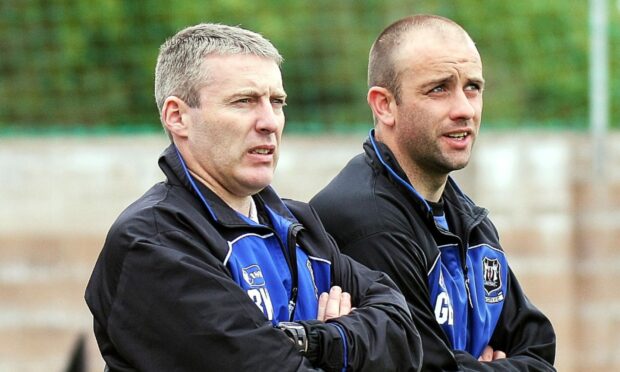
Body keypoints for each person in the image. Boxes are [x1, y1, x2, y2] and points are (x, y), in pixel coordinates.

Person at [84, 23, 422, 372]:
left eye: (277, 102)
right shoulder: (153, 242)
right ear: (178, 116)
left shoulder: (299, 225)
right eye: (243, 101)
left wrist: (318, 340)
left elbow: (406, 338)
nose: (269, 122)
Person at [310, 14, 556, 371]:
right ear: (384, 105)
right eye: (439, 88)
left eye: (473, 87)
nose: (464, 109)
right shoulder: (366, 221)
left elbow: (539, 350)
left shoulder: (466, 218)